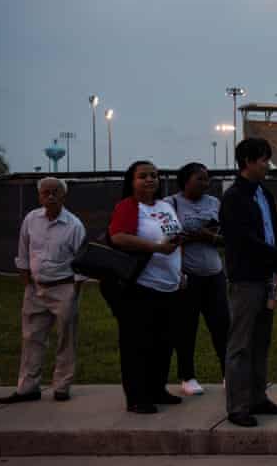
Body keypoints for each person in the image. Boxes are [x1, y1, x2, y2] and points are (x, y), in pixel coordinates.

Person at [220, 138, 277, 427]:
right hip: (246, 279)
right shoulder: (235, 197)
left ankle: (258, 397)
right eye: (264, 159)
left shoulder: (264, 194)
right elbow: (243, 240)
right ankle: (237, 406)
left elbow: (274, 232)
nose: (268, 165)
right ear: (248, 161)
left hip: (267, 276)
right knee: (241, 344)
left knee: (261, 341)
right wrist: (275, 257)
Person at [0, 177, 86, 404]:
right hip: (35, 288)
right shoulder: (31, 219)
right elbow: (24, 249)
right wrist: (26, 278)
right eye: (45, 192)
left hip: (64, 287)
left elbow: (82, 260)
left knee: (65, 339)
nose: (50, 195)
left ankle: (62, 386)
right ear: (39, 196)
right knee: (31, 338)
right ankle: (28, 388)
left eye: (55, 191)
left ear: (63, 195)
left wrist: (74, 291)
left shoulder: (74, 225)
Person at [108, 161, 185, 414]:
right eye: (143, 176)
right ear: (132, 181)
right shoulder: (129, 206)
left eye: (154, 175)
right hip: (141, 287)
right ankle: (137, 397)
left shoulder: (165, 205)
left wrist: (180, 269)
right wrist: (156, 248)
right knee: (137, 345)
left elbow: (173, 238)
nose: (150, 180)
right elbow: (117, 236)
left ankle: (157, 389)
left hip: (170, 287)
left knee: (163, 343)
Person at [166, 162, 229, 396]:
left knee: (222, 326)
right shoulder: (170, 204)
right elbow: (170, 238)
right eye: (199, 179)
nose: (205, 183)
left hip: (214, 274)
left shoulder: (214, 203)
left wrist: (203, 235)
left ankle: (228, 374)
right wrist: (201, 234)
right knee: (185, 327)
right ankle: (187, 376)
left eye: (207, 179)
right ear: (185, 181)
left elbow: (225, 237)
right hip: (186, 275)